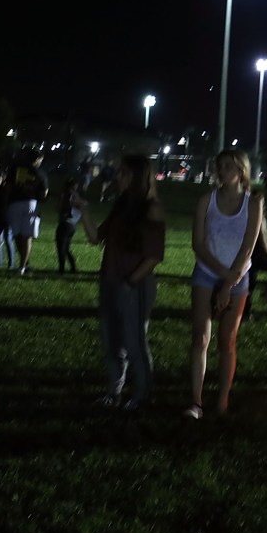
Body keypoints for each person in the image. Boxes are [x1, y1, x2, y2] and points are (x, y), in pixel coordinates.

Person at [74, 154, 165, 411]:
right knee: (112, 343)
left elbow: (154, 255)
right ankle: (114, 393)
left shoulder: (152, 208)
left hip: (135, 286)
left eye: (123, 172)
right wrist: (84, 209)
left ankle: (141, 396)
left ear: (137, 176)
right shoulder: (122, 204)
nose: (117, 176)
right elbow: (96, 238)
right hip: (110, 281)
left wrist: (130, 282)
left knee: (134, 344)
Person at [186, 149, 264, 419]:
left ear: (242, 170)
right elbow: (198, 243)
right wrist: (220, 274)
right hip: (206, 273)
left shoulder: (252, 204)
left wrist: (228, 284)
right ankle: (196, 402)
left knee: (227, 341)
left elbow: (248, 248)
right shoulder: (206, 201)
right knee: (200, 337)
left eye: (229, 166)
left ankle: (222, 399)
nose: (222, 171)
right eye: (220, 166)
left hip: (237, 277)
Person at [7, 150, 48, 275]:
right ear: (37, 160)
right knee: (27, 236)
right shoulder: (40, 173)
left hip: (14, 203)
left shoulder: (16, 169)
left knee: (17, 235)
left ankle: (24, 263)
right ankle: (23, 266)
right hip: (30, 203)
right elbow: (44, 193)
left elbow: (8, 186)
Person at [54, 176, 81, 273]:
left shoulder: (67, 195)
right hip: (72, 225)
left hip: (65, 223)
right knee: (66, 248)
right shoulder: (77, 196)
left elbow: (58, 208)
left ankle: (61, 269)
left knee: (61, 247)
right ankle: (73, 268)